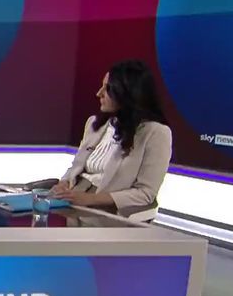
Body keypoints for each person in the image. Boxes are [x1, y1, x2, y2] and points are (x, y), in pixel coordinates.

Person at [52, 60, 172, 216]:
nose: (99, 93)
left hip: (105, 208)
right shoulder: (94, 124)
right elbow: (76, 167)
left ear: (127, 93)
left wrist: (90, 199)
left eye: (107, 88)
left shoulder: (156, 133)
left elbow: (145, 193)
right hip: (71, 198)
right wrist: (64, 183)